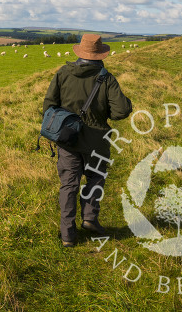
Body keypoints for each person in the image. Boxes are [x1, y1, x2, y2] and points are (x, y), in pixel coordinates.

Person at [43, 34, 132, 247]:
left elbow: (49, 106)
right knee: (95, 178)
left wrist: (62, 125)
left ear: (80, 52)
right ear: (100, 54)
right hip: (97, 140)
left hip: (67, 140)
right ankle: (90, 218)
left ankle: (67, 235)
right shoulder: (106, 78)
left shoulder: (63, 73)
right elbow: (121, 111)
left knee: (68, 184)